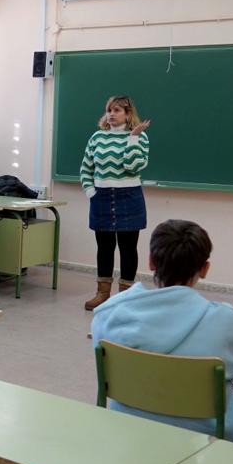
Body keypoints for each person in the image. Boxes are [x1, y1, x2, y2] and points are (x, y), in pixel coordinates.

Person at [90, 219, 233, 446]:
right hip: (208, 442)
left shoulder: (110, 313)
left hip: (130, 435)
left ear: (150, 262)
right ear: (205, 269)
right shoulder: (226, 322)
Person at [80, 95, 151, 311]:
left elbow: (133, 166)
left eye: (117, 110)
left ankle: (125, 298)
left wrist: (134, 138)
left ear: (128, 114)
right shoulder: (97, 137)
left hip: (129, 197)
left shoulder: (140, 137)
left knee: (128, 248)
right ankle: (102, 294)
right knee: (104, 247)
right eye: (109, 110)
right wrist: (91, 192)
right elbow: (86, 168)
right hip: (101, 197)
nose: (111, 114)